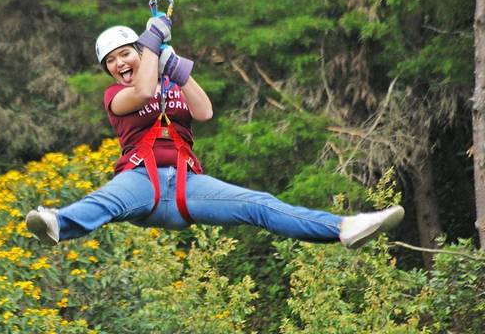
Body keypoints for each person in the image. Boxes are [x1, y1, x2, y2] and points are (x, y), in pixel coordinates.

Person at [26, 16, 404, 248]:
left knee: (258, 205)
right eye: (111, 61)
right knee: (105, 202)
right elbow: (141, 91)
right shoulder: (117, 96)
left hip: (188, 186)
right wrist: (152, 42)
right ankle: (60, 224)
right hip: (141, 180)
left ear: (139, 54)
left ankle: (342, 229)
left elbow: (204, 111)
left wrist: (174, 67)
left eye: (126, 53)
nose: (119, 63)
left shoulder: (170, 86)